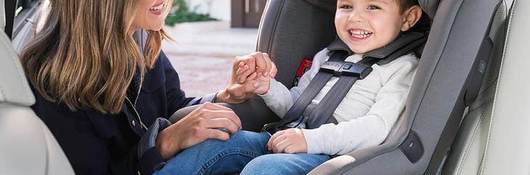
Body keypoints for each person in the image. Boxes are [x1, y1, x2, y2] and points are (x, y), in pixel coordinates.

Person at [155, 0, 424, 174]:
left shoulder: (402, 68)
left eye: (373, 7)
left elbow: (377, 127)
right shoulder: (328, 57)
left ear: (408, 18)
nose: (355, 18)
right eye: (346, 6)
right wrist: (267, 87)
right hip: (288, 137)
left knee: (265, 169)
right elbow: (296, 105)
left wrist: (309, 140)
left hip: (333, 157)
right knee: (216, 142)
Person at [19, 0, 274, 174]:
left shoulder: (141, 43)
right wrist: (161, 144)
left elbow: (174, 107)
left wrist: (226, 95)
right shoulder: (54, 83)